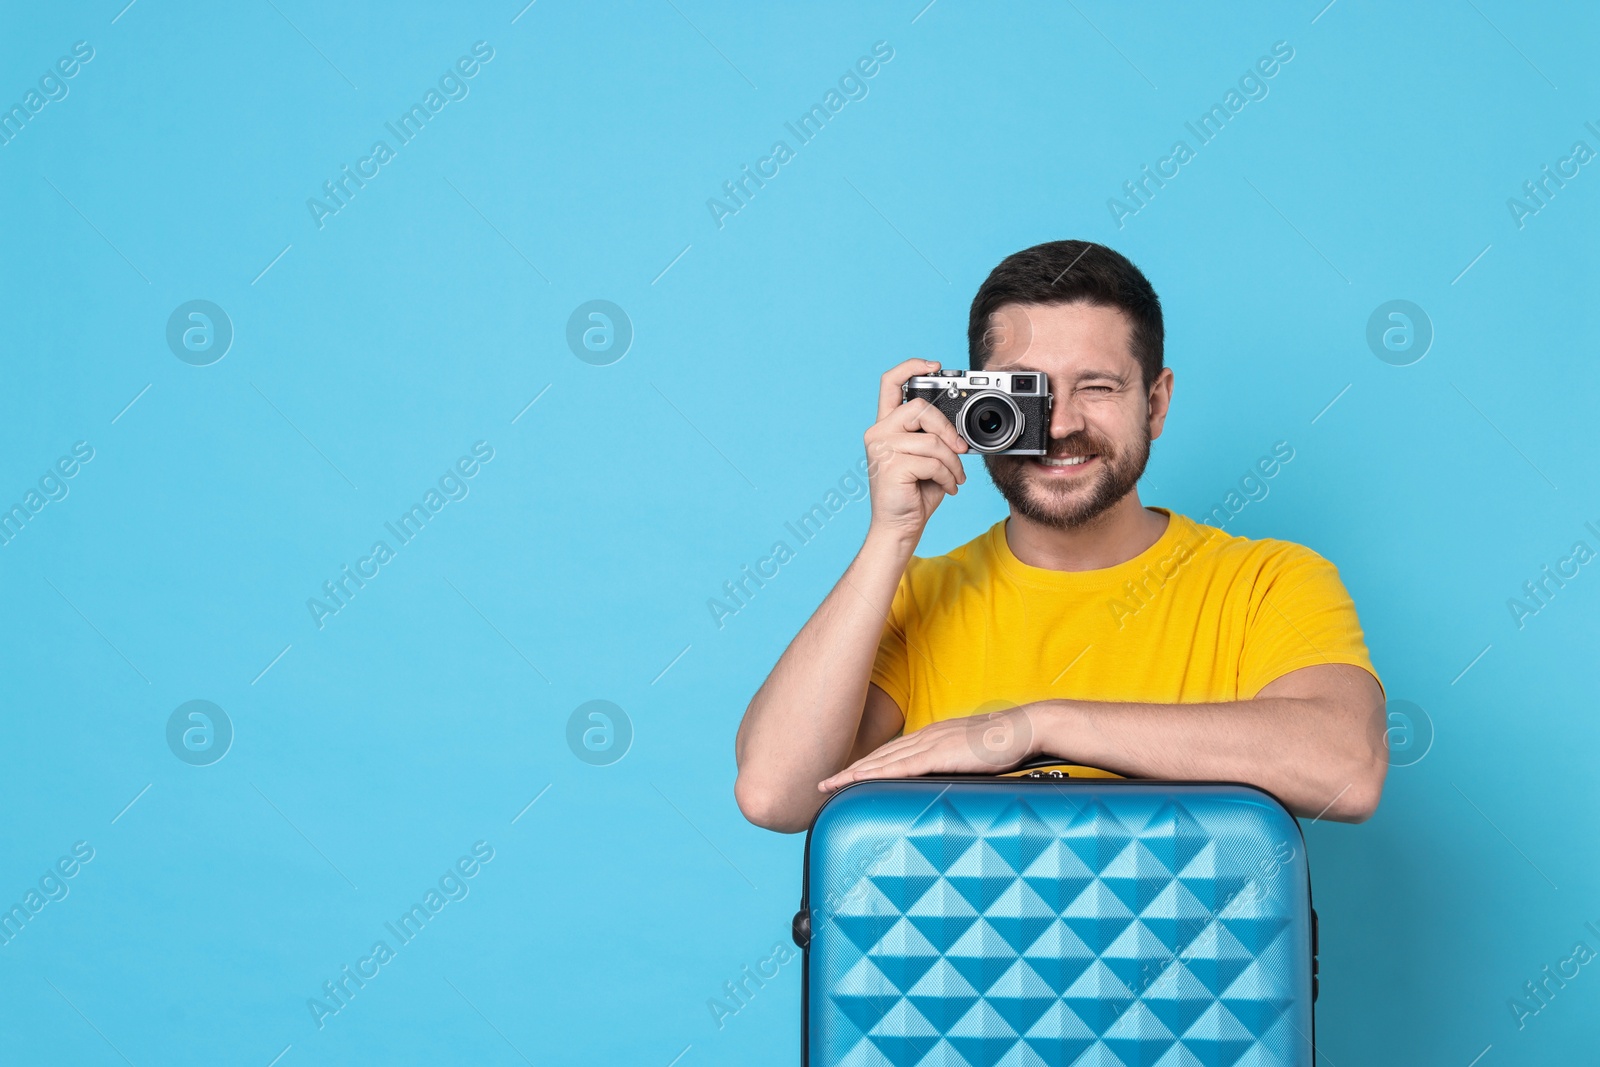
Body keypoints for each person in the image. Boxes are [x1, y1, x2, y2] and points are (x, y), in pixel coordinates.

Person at [733, 240, 1386, 834]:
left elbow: (1346, 769)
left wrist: (1037, 727)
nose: (1062, 423)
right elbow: (773, 794)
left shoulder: (1265, 582)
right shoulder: (913, 598)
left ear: (1155, 404)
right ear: (972, 402)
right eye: (1026, 393)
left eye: (1097, 387)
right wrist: (890, 535)